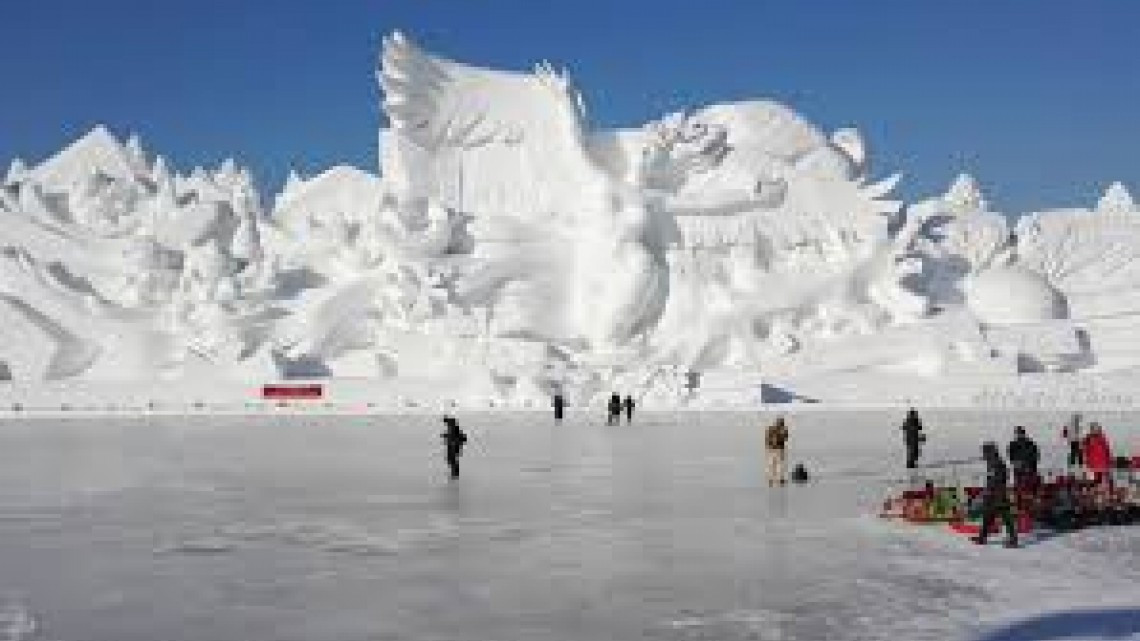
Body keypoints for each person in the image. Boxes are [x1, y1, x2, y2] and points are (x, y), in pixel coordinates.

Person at [972, 441, 1018, 548]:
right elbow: (992, 478)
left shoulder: (998, 463)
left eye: (985, 452)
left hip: (998, 495)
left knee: (1006, 518)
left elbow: (1001, 478)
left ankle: (1013, 539)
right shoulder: (992, 462)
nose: (983, 454)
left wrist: (992, 489)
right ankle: (982, 537)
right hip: (993, 495)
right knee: (988, 516)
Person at [765, 416, 790, 487]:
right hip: (779, 449)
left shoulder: (770, 428)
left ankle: (771, 479)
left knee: (772, 464)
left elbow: (767, 438)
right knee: (779, 464)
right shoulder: (782, 430)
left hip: (771, 449)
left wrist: (768, 446)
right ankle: (779, 479)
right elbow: (785, 438)